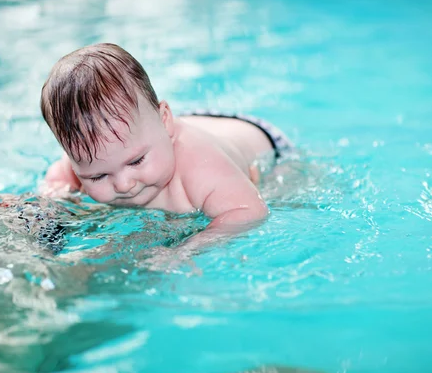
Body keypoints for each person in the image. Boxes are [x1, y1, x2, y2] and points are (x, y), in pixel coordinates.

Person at [41, 43, 294, 237]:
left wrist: (189, 248)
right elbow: (63, 173)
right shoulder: (105, 150)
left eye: (137, 161)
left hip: (258, 137)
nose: (124, 184)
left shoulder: (199, 165)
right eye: (98, 176)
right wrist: (55, 196)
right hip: (145, 128)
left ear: (165, 122)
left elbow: (249, 211)